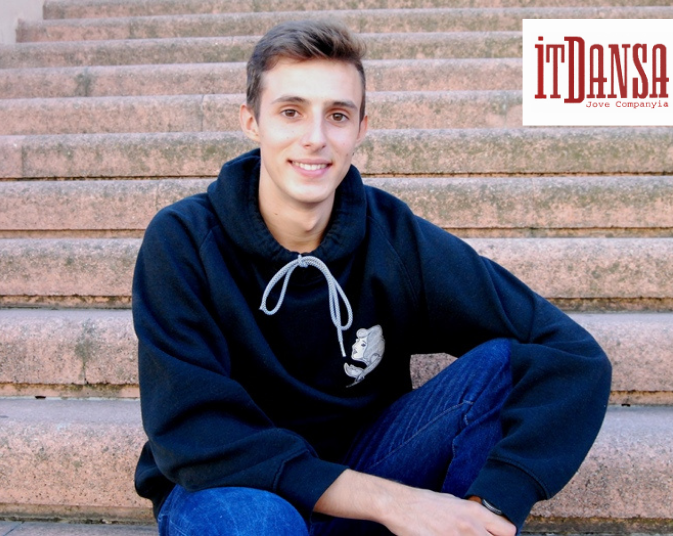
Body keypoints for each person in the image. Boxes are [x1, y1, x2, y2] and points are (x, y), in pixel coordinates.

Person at [132, 19, 612, 536]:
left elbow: (570, 354)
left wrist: (490, 505)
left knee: (501, 367)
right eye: (291, 112)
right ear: (252, 122)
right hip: (228, 488)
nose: (315, 138)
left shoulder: (393, 237)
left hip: (366, 467)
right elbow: (195, 429)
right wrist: (390, 502)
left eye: (337, 116)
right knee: (261, 523)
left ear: (361, 128)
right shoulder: (183, 240)